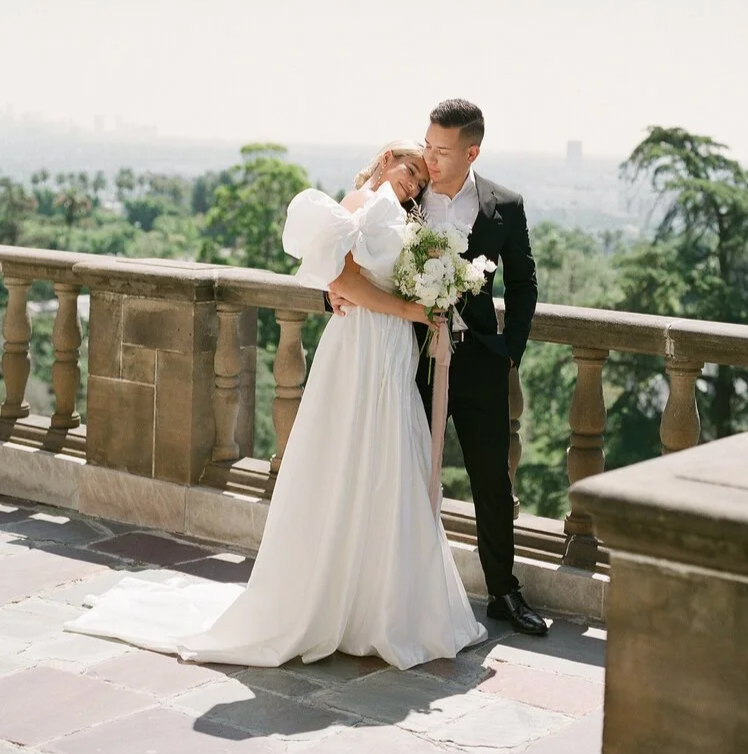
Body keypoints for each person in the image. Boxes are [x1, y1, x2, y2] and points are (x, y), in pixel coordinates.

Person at [66, 139, 487, 670]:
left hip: (390, 351)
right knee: (347, 454)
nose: (413, 184)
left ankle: (386, 603)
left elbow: (366, 278)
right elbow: (341, 280)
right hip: (359, 348)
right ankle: (336, 601)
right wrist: (411, 309)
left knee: (389, 462)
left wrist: (425, 298)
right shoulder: (357, 203)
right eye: (409, 170)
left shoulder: (403, 217)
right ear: (386, 161)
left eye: (420, 183)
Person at [331, 102, 548, 636]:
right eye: (426, 145)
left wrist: (510, 351)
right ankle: (396, 591)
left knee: (491, 478)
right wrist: (331, 296)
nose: (428, 156)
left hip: (478, 364)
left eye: (441, 150)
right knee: (399, 474)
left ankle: (503, 591)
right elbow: (351, 254)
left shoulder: (506, 206)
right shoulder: (404, 194)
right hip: (405, 360)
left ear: (471, 152)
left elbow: (523, 282)